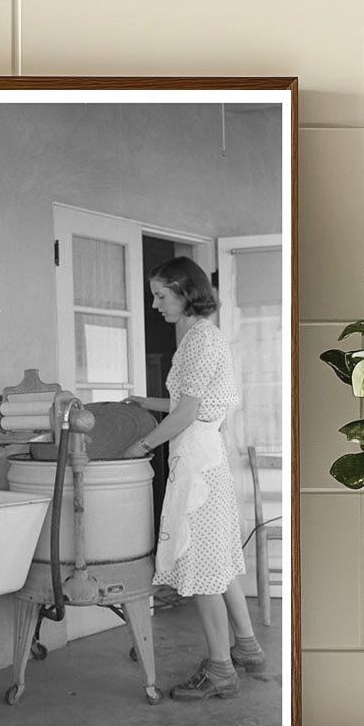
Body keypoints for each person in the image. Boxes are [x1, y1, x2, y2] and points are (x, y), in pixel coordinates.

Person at [121, 257, 267, 701]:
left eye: (161, 295)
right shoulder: (202, 339)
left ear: (185, 291)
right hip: (205, 456)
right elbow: (190, 403)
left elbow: (188, 413)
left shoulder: (200, 341)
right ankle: (248, 649)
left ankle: (221, 670)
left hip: (199, 462)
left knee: (204, 568)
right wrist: (142, 401)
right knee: (219, 562)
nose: (154, 303)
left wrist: (141, 445)